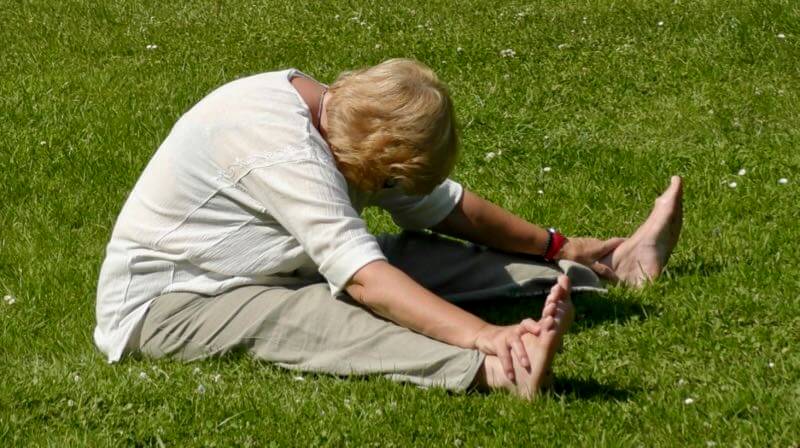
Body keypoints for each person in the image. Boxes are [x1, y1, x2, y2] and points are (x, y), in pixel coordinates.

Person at [95, 59, 682, 399]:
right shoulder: (279, 147)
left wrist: (564, 246)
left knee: (418, 256)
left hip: (278, 263)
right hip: (173, 301)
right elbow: (362, 281)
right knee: (312, 316)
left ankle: (607, 269)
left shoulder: (344, 120)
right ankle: (502, 370)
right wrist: (483, 337)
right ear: (380, 164)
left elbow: (448, 209)